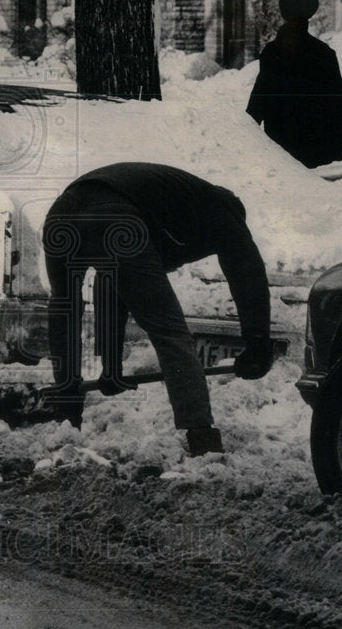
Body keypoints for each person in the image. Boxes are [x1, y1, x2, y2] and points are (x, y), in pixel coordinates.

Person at [40, 163, 274, 456]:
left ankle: (65, 415)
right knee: (170, 332)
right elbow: (247, 272)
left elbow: (112, 281)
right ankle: (202, 438)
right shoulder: (222, 211)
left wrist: (113, 368)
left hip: (62, 212)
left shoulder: (171, 202)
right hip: (114, 213)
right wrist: (258, 343)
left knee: (64, 307)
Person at [246, 0, 342, 168]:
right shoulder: (323, 53)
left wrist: (248, 140)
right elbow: (339, 104)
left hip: (282, 156)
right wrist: (336, 146)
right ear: (310, 14)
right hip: (320, 153)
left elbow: (259, 101)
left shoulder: (272, 53)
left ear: (282, 13)